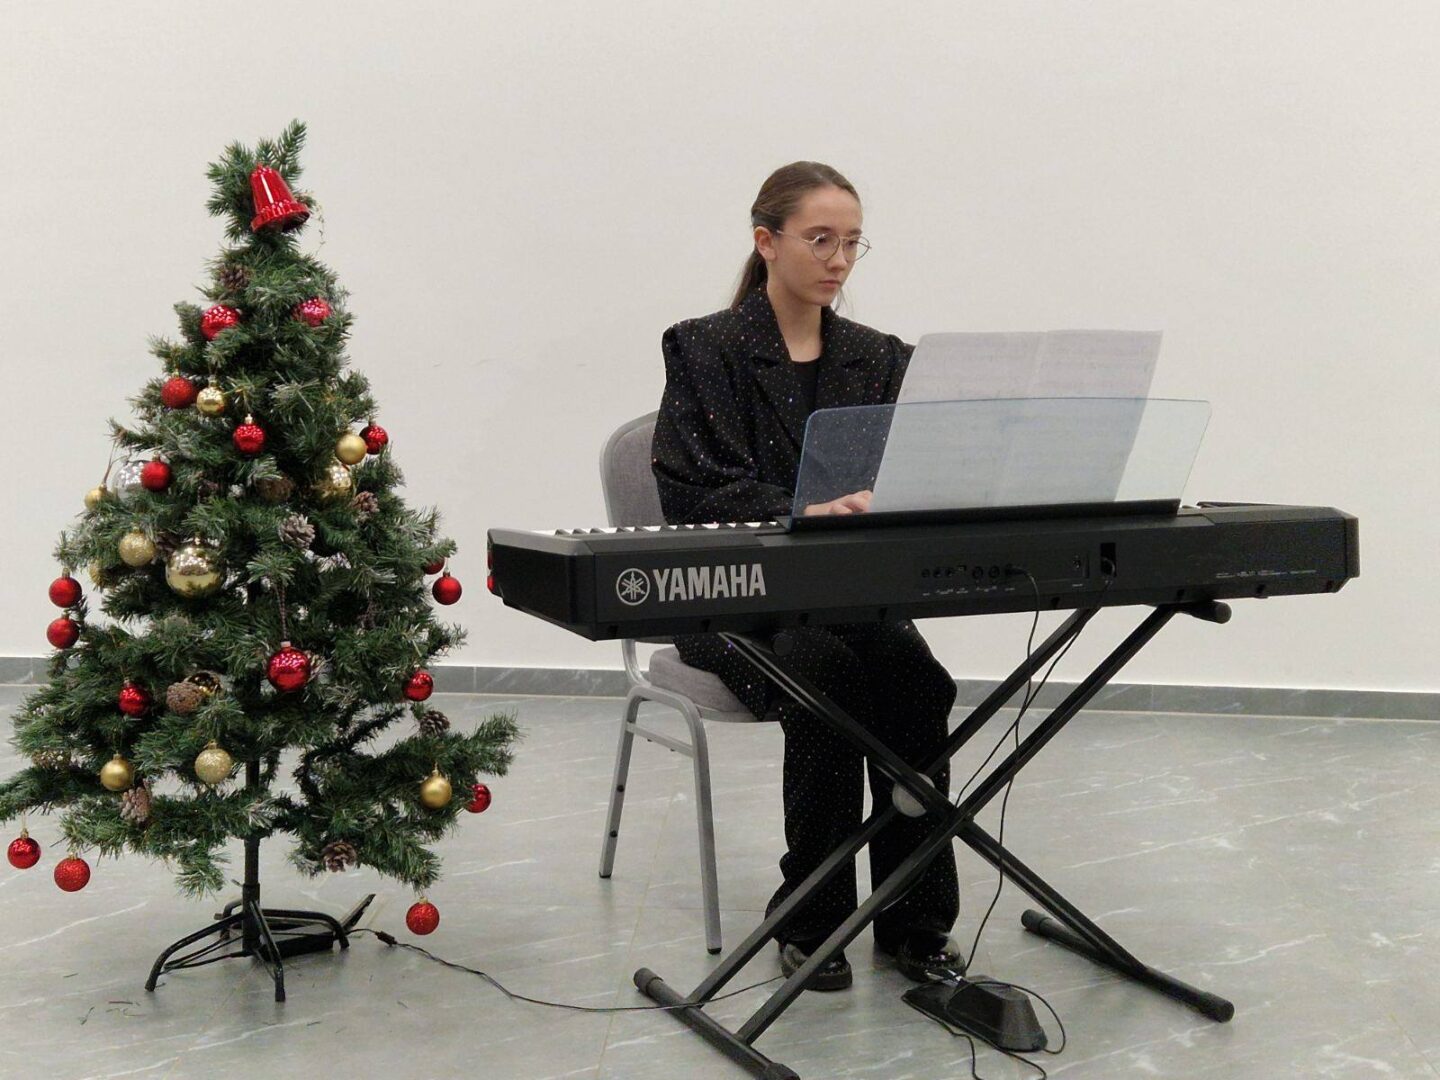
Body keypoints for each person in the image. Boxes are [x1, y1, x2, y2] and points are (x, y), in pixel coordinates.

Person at [651, 162, 963, 991]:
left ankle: (915, 918)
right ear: (767, 241)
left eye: (852, 243)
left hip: (843, 595)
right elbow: (693, 492)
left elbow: (908, 474)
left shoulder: (878, 357)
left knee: (917, 680)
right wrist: (805, 509)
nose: (839, 260)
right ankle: (811, 918)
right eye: (820, 239)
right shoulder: (705, 347)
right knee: (824, 678)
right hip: (732, 599)